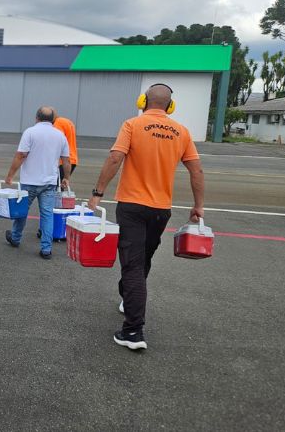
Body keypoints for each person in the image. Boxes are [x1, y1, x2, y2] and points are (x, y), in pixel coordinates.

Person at [87, 84, 204, 350]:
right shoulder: (182, 132)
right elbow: (196, 171)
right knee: (142, 261)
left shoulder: (132, 125)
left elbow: (116, 158)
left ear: (143, 101)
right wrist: (199, 206)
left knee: (132, 266)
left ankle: (133, 332)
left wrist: (97, 193)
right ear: (170, 106)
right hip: (161, 209)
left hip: (131, 206)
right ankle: (129, 298)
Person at [4, 106, 72, 259]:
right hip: (49, 182)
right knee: (47, 215)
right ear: (53, 120)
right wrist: (66, 177)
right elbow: (66, 160)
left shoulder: (30, 132)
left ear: (37, 118)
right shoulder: (60, 135)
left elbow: (21, 155)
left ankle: (15, 238)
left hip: (29, 181)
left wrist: (10, 175)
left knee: (22, 211)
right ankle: (46, 249)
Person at [53, 113, 78, 185]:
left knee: (55, 189)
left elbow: (58, 139)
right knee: (60, 187)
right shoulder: (67, 121)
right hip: (72, 158)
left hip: (64, 160)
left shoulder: (57, 123)